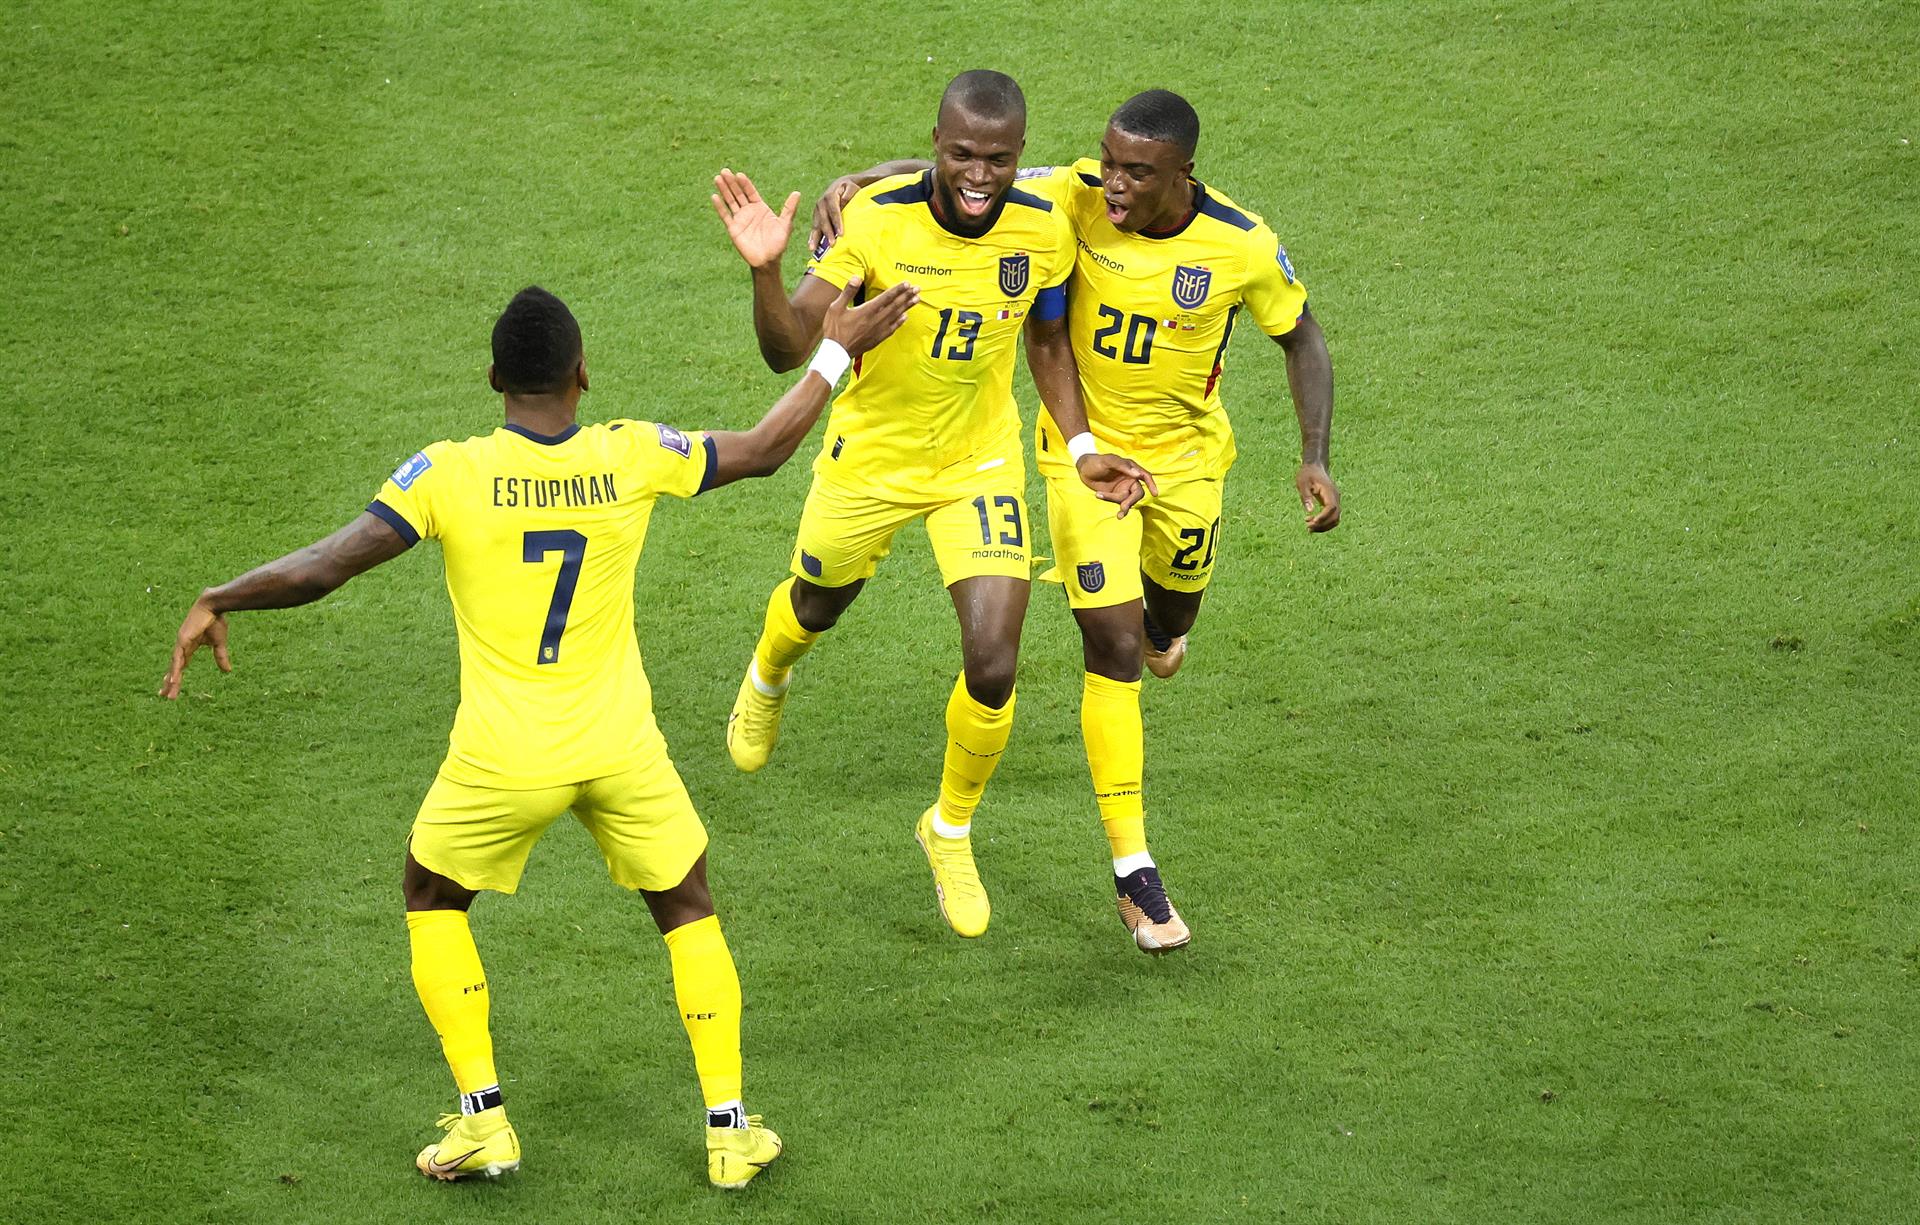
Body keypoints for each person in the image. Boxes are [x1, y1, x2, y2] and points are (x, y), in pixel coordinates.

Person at [159, 281, 916, 1185]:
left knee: (432, 896)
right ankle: (728, 1130)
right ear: (582, 374)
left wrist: (220, 595)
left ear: (492, 378)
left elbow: (325, 566)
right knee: (686, 905)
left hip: (502, 759)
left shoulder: (446, 472)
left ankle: (483, 1119)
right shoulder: (629, 453)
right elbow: (761, 449)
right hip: (621, 748)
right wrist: (832, 349)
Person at [808, 89, 1341, 955]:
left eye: (1137, 172)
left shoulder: (1242, 244)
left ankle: (1170, 631)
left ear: (1183, 175)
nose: (1114, 184)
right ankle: (1135, 870)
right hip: (1080, 453)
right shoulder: (1078, 194)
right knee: (1114, 643)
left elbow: (1303, 337)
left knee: (1166, 628)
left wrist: (1314, 453)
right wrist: (856, 177)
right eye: (1110, 161)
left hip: (1188, 466)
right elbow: (971, 177)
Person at [708, 69, 1153, 940]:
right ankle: (770, 669)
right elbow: (788, 346)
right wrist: (767, 273)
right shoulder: (873, 221)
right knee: (815, 604)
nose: (980, 175)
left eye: (998, 158)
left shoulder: (1043, 226)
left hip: (977, 462)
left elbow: (1051, 337)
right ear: (937, 147)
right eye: (961, 155)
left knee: (995, 660)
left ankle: (949, 828)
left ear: (1021, 157)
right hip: (869, 458)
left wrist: (1085, 446)